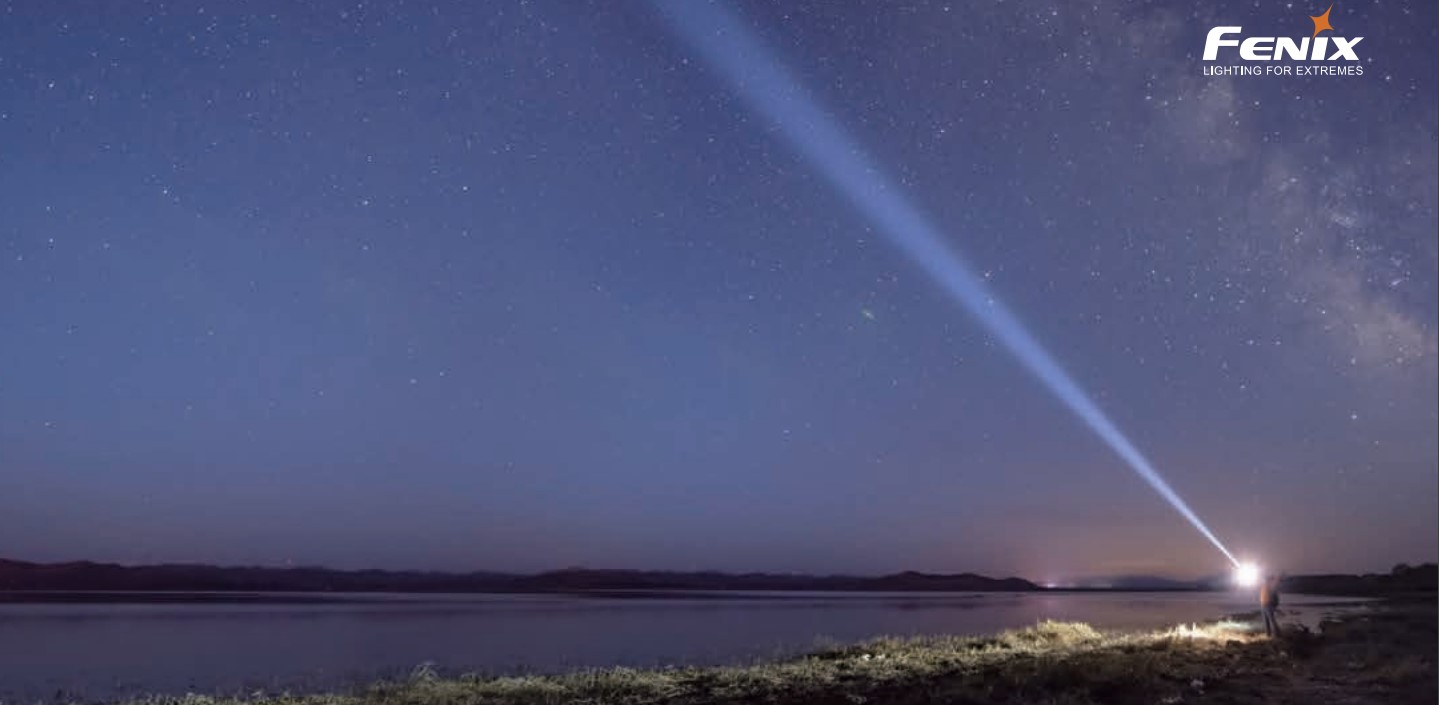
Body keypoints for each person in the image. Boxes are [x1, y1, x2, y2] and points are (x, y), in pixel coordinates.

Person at [1259, 573, 1281, 637]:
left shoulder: (1271, 586)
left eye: (1266, 579)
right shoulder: (1264, 586)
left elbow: (1275, 596)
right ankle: (1268, 635)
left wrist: (1274, 605)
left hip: (1268, 605)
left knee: (1272, 620)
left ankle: (1277, 634)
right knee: (1266, 621)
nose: (1264, 580)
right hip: (1263, 604)